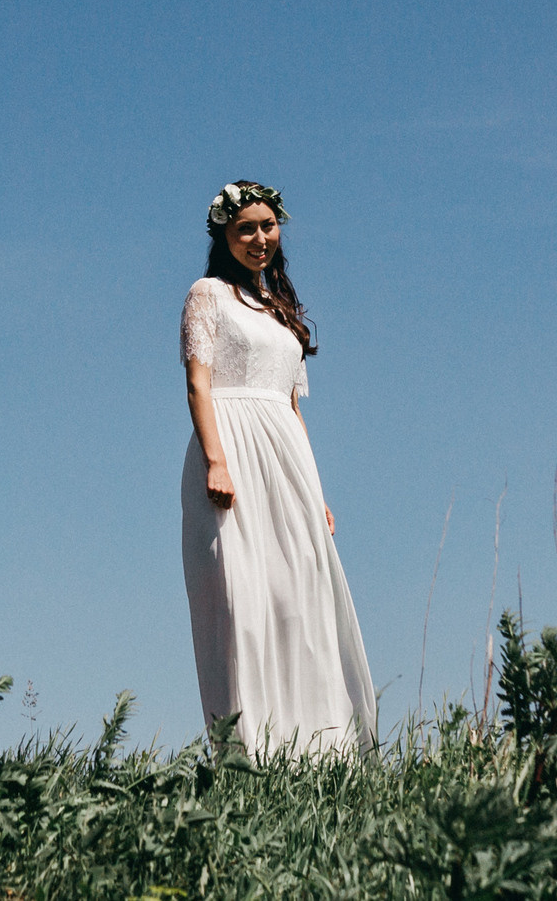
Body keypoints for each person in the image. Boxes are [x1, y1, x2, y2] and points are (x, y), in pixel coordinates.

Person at [180, 180, 376, 754]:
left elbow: (293, 408)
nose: (260, 238)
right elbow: (198, 383)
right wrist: (216, 460)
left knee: (299, 600)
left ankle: (316, 748)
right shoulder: (207, 294)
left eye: (268, 226)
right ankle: (247, 750)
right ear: (225, 234)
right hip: (231, 450)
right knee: (240, 601)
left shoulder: (281, 312)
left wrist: (315, 492)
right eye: (246, 228)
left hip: (286, 460)